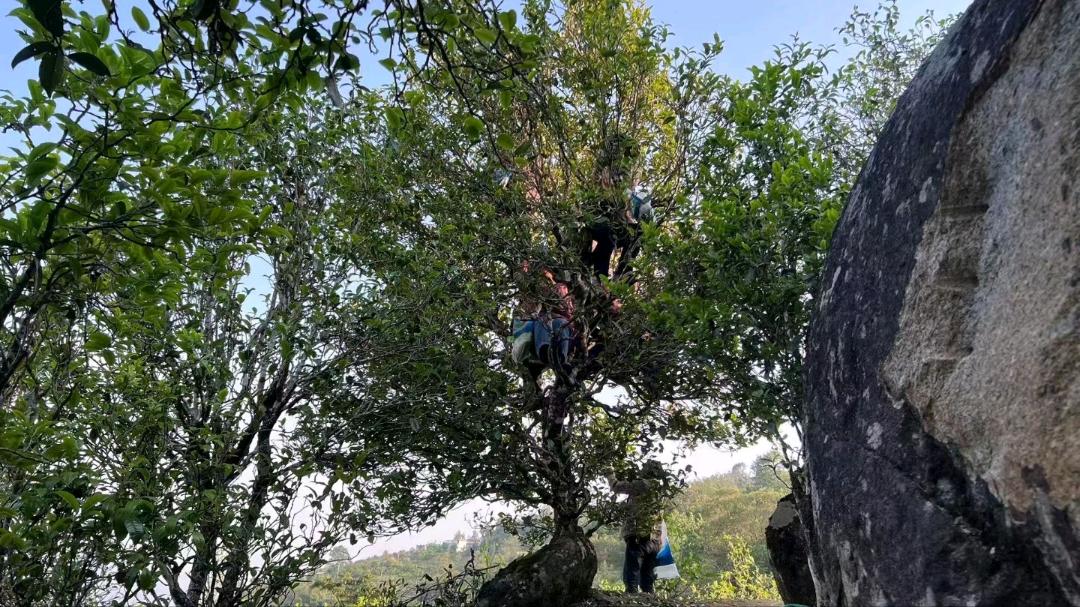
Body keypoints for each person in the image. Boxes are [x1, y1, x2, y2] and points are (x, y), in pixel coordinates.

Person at [608, 460, 667, 594]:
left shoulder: (643, 484)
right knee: (647, 579)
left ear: (649, 471)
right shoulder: (661, 489)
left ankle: (632, 600)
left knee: (632, 577)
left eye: (645, 467)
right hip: (655, 539)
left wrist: (609, 473)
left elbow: (616, 486)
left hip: (639, 537)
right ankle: (649, 601)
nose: (642, 470)